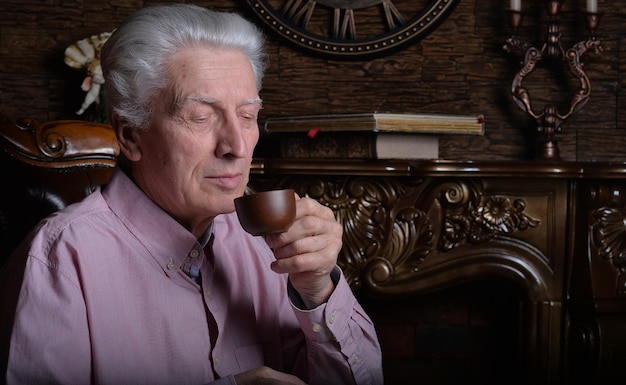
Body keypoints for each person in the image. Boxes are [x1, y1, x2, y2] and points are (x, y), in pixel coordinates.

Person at [0, 4, 383, 385]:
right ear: (131, 134)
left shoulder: (271, 244)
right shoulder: (59, 259)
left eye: (248, 116)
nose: (236, 145)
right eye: (201, 117)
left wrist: (317, 289)